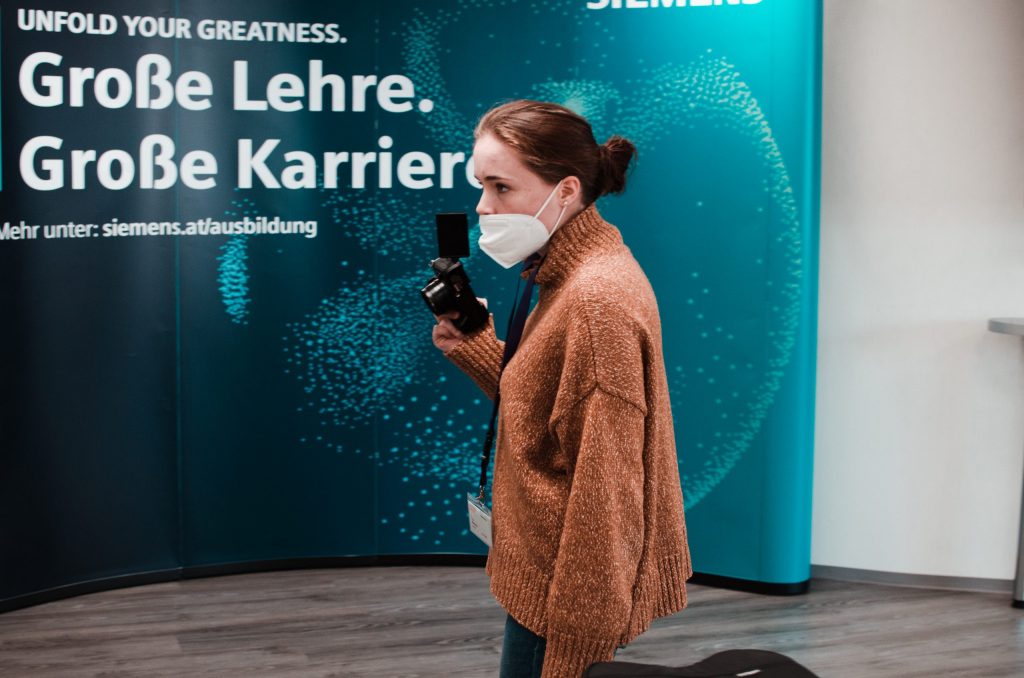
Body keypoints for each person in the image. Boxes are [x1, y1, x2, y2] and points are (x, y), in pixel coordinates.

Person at [431, 100, 692, 678]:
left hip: (561, 599)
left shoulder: (596, 302)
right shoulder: (567, 274)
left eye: (501, 187)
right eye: (481, 185)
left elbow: (607, 499)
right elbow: (546, 405)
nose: (483, 206)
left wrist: (574, 649)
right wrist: (475, 346)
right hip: (545, 575)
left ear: (566, 191)